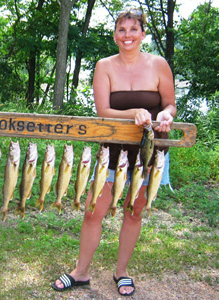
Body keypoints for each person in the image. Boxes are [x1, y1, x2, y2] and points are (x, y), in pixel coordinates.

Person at [51, 9, 176, 296]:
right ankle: (80, 273)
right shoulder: (104, 66)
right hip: (112, 154)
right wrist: (135, 111)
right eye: (122, 30)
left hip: (150, 155)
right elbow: (103, 111)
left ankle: (121, 272)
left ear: (143, 34)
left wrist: (167, 115)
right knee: (94, 211)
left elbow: (170, 104)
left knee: (134, 213)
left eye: (134, 29)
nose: (128, 35)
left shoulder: (159, 65)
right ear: (115, 35)